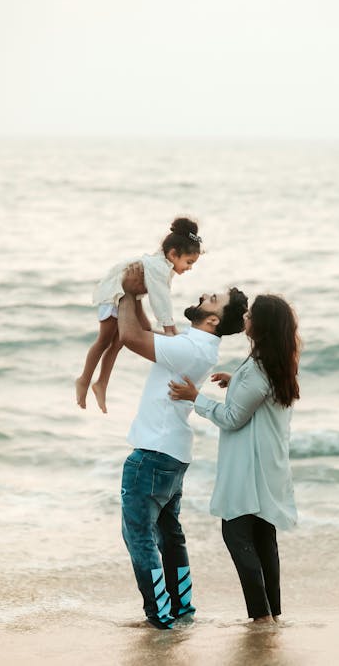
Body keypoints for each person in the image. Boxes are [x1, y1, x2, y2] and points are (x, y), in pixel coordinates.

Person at [118, 265, 248, 630]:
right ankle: (182, 607)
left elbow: (130, 336)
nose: (206, 295)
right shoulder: (197, 346)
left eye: (214, 299)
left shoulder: (190, 349)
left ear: (211, 319)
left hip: (153, 453)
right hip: (172, 454)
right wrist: (140, 296)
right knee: (169, 535)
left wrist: (126, 292)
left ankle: (160, 615)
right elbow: (144, 331)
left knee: (139, 535)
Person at [169, 294, 300, 624]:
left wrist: (195, 398)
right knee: (263, 538)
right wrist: (235, 381)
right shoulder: (274, 363)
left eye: (251, 315)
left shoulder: (258, 370)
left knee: (237, 534)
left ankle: (261, 617)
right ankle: (272, 615)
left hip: (250, 467)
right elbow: (253, 397)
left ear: (263, 326)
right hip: (267, 463)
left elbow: (231, 418)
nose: (245, 318)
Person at [76, 217, 202, 413]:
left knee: (118, 343)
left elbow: (157, 295)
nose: (190, 267)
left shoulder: (162, 264)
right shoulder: (160, 267)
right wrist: (169, 330)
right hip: (114, 294)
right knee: (104, 341)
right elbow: (161, 300)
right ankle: (84, 380)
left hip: (128, 296)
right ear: (173, 254)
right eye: (188, 262)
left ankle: (101, 383)